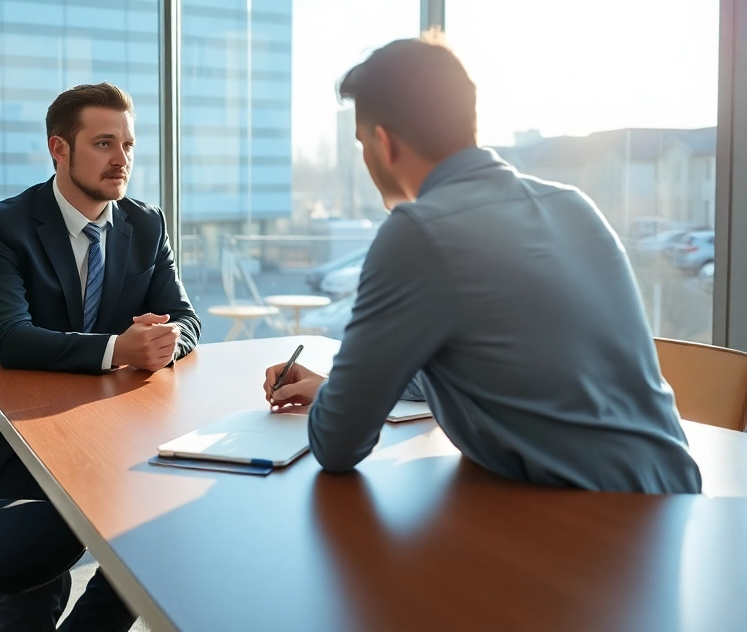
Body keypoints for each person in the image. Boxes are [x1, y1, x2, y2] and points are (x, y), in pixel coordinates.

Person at [262, 32, 702, 495]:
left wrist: (344, 405)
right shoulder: (573, 205)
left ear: (383, 143)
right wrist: (338, 390)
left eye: (361, 144)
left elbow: (336, 445)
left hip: (591, 527)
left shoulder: (419, 230)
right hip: (672, 505)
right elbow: (481, 362)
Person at [0, 82, 200, 632]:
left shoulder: (145, 223)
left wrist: (165, 340)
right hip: (16, 430)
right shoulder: (1, 225)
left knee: (154, 544)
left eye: (128, 145)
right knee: (36, 588)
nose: (122, 159)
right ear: (59, 149)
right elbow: (10, 337)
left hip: (108, 427)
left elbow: (187, 317)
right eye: (104, 143)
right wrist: (116, 349)